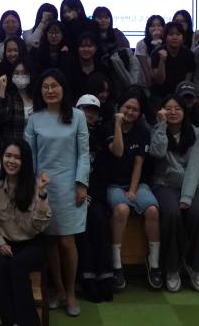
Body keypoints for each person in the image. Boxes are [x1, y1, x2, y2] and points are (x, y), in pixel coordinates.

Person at [24, 69, 89, 317]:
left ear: (63, 88)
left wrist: (81, 183)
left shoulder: (78, 116)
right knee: (50, 242)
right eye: (45, 87)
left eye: (55, 86)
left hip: (70, 186)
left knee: (67, 242)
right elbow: (29, 155)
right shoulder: (34, 119)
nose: (50, 90)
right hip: (43, 187)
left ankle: (71, 292)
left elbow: (84, 153)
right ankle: (59, 290)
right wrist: (33, 186)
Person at [0, 141, 52, 326]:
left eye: (17, 157)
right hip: (5, 243)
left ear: (25, 161)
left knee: (16, 266)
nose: (11, 161)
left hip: (32, 243)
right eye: (8, 156)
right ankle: (10, 322)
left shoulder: (35, 186)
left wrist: (42, 194)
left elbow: (40, 226)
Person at [105, 88, 162, 290]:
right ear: (119, 107)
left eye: (135, 109)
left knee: (153, 210)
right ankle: (116, 264)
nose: (130, 112)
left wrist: (132, 190)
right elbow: (118, 152)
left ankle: (153, 263)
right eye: (127, 107)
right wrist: (118, 125)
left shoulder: (143, 131)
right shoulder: (108, 125)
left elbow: (139, 163)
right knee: (122, 209)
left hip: (136, 183)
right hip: (112, 184)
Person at [150, 95, 199, 293]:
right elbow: (157, 153)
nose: (173, 112)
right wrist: (161, 125)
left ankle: (195, 267)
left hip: (192, 185)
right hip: (164, 184)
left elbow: (194, 167)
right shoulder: (157, 130)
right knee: (172, 214)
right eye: (168, 108)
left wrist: (187, 197)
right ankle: (172, 268)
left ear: (185, 112)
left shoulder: (196, 134)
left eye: (177, 108)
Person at [73, 95, 114, 303]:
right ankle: (87, 278)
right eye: (85, 109)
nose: (89, 114)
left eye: (93, 111)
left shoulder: (101, 135)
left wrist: (92, 194)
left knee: (99, 219)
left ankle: (105, 276)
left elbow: (102, 170)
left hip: (95, 193)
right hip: (73, 193)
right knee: (83, 224)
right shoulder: (68, 133)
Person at [150, 21, 195, 107]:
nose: (175, 37)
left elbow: (187, 81)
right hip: (160, 95)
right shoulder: (156, 53)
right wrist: (162, 61)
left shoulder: (189, 55)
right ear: (165, 37)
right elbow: (159, 81)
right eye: (171, 34)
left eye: (178, 34)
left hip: (181, 94)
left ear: (183, 37)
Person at [0, 59, 34, 147]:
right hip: (14, 149)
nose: (20, 76)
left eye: (24, 73)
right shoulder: (9, 98)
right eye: (16, 73)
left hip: (34, 147)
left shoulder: (37, 98)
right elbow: (0, 118)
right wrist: (2, 89)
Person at [68, 32, 109, 101]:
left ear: (95, 48)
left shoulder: (102, 68)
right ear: (77, 48)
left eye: (90, 46)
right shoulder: (70, 68)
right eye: (82, 46)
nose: (86, 49)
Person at [135, 15, 166, 81]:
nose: (156, 28)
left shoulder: (167, 43)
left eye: (159, 25)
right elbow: (146, 71)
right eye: (152, 26)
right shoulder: (141, 44)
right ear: (148, 28)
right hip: (145, 81)